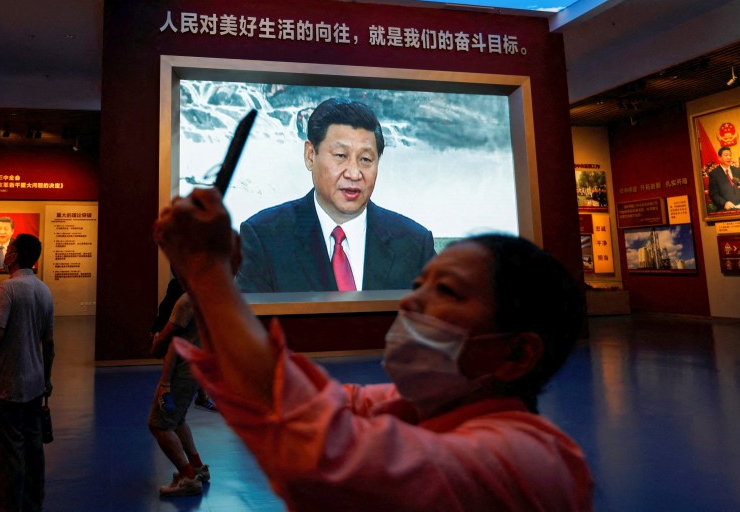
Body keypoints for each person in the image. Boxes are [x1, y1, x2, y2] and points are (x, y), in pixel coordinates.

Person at [154, 188, 593, 511]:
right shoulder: (417, 406)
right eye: (419, 284)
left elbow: (323, 452)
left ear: (517, 354)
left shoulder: (527, 461)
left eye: (446, 290)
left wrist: (207, 274)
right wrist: (211, 278)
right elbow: (277, 393)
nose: (409, 301)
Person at [237, 98, 435, 293]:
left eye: (365, 159)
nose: (354, 173)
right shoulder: (264, 238)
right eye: (341, 156)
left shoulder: (414, 244)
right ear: (310, 155)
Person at [0, 234, 55, 512]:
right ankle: (33, 506)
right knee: (34, 452)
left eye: (10, 248)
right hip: (35, 384)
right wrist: (46, 379)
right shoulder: (44, 290)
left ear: (14, 255)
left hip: (6, 385)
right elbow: (49, 344)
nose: (7, 252)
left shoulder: (7, 289)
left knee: (7, 457)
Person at [148, 274, 211, 497]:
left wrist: (165, 382)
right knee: (177, 420)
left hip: (179, 374)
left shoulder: (185, 301)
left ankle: (188, 477)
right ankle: (196, 467)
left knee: (159, 425)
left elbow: (170, 342)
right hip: (193, 369)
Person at [708, 146, 740, 210]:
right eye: (726, 155)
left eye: (730, 155)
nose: (729, 157)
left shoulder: (736, 170)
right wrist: (724, 203)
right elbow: (713, 194)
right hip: (727, 209)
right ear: (719, 158)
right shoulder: (714, 174)